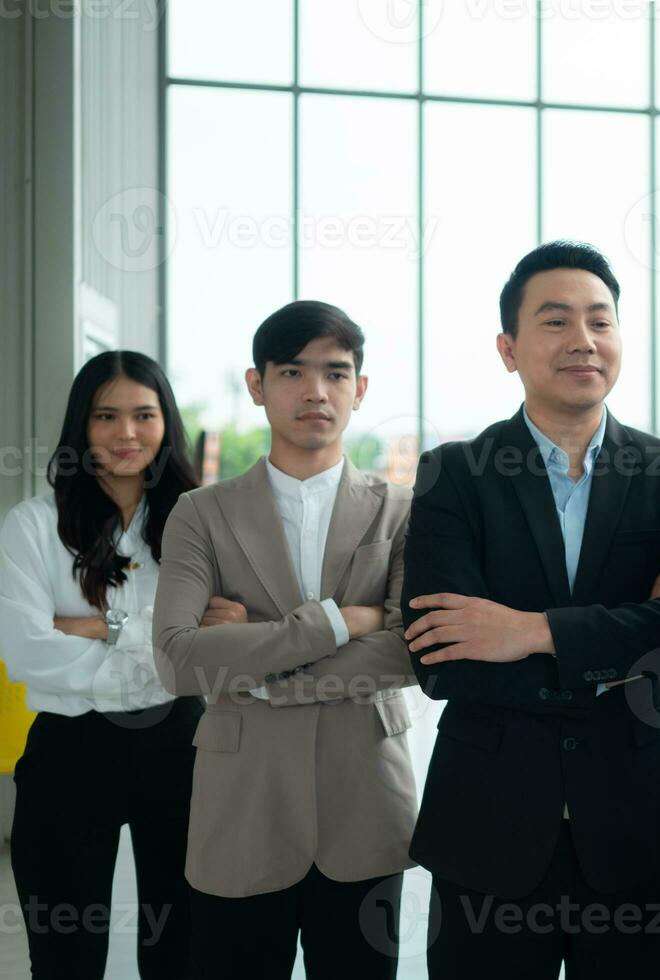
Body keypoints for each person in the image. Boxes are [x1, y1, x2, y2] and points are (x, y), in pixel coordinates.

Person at [401, 241, 660, 979]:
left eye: (600, 321)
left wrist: (529, 633)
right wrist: (624, 645)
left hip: (639, 825)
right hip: (489, 827)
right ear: (508, 348)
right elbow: (439, 658)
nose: (583, 340)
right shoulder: (454, 474)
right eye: (555, 321)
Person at [153, 301, 418, 979]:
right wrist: (335, 622)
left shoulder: (401, 513)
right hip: (240, 805)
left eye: (335, 373)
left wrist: (254, 658)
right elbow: (177, 659)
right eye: (293, 372)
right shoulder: (200, 514)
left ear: (360, 389)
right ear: (256, 384)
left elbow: (410, 649)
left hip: (363, 801)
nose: (315, 391)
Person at [0, 351, 202, 979]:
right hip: (70, 755)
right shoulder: (34, 526)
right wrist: (157, 645)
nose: (126, 434)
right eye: (105, 416)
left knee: (181, 952)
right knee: (66, 958)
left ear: (166, 422)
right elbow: (24, 648)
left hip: (184, 748)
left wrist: (96, 629)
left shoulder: (199, 522)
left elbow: (220, 639)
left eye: (144, 415)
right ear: (80, 428)